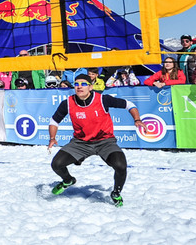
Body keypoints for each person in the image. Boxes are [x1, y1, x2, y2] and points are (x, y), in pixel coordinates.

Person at [47, 73, 144, 206]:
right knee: (56, 164)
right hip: (80, 142)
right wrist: (52, 138)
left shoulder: (103, 99)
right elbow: (54, 120)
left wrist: (137, 119)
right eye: (76, 84)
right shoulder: (68, 103)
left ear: (91, 87)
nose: (79, 87)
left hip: (105, 142)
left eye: (83, 84)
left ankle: (116, 193)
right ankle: (68, 180)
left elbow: (129, 104)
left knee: (120, 166)